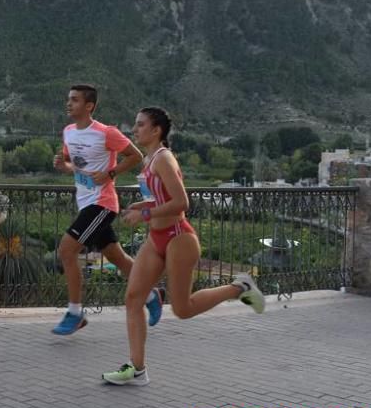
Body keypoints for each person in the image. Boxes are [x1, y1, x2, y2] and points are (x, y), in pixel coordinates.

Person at [102, 107, 265, 386]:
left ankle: (241, 288)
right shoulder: (150, 159)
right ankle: (137, 370)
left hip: (179, 238)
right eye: (135, 125)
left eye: (140, 125)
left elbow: (182, 203)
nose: (135, 129)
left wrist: (144, 214)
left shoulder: (164, 159)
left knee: (183, 308)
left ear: (156, 131)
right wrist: (146, 205)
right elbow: (162, 198)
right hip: (157, 238)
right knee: (133, 298)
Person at [51, 85, 164, 336]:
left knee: (67, 250)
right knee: (117, 258)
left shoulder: (105, 133)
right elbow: (74, 164)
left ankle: (75, 312)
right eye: (68, 99)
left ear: (89, 106)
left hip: (102, 203)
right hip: (85, 201)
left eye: (75, 100)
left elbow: (135, 155)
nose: (68, 104)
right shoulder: (69, 132)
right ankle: (151, 295)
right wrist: (63, 165)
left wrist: (111, 173)